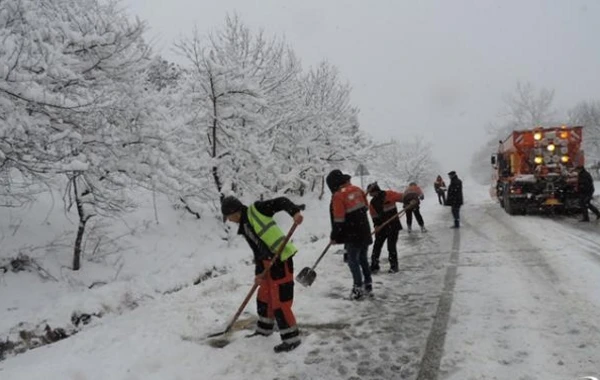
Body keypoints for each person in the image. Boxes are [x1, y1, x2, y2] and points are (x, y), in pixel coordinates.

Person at [221, 195, 304, 353]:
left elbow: (281, 201)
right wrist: (259, 273)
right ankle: (265, 329)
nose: (229, 221)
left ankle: (291, 339)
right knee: (264, 296)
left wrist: (294, 213)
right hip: (266, 263)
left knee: (280, 301)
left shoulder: (257, 210)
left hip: (280, 260)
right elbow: (257, 250)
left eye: (229, 217)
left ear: (235, 212)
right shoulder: (245, 225)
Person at [326, 169, 373, 300]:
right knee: (363, 258)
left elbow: (338, 219)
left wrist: (334, 236)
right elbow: (365, 207)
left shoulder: (338, 196)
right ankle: (368, 284)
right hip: (365, 230)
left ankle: (357, 288)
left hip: (352, 234)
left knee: (353, 261)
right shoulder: (357, 189)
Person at [366, 182, 403, 274]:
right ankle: (374, 266)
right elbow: (374, 216)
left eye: (370, 193)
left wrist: (411, 199)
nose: (370, 195)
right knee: (377, 246)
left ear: (375, 191)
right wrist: (376, 225)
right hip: (382, 227)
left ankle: (394, 266)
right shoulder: (372, 202)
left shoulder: (389, 194)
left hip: (393, 225)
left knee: (391, 246)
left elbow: (402, 197)